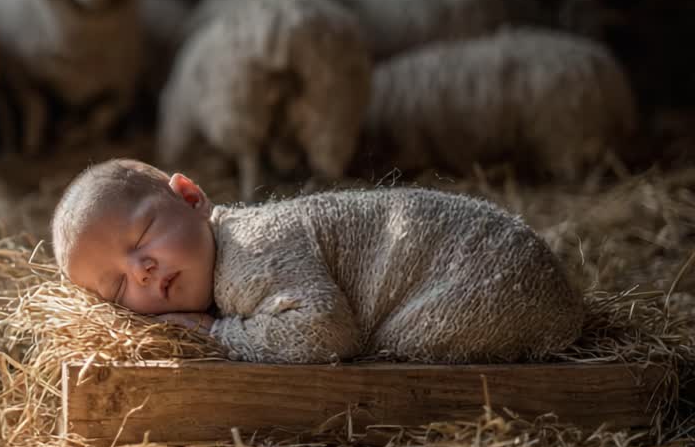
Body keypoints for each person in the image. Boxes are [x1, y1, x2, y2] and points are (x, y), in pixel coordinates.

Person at [50, 158, 585, 363]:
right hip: (491, 275)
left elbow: (324, 333)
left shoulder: (249, 254)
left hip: (487, 283)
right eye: (118, 289)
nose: (140, 270)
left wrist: (219, 336)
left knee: (392, 356)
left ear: (192, 198)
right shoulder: (225, 254)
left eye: (142, 235)